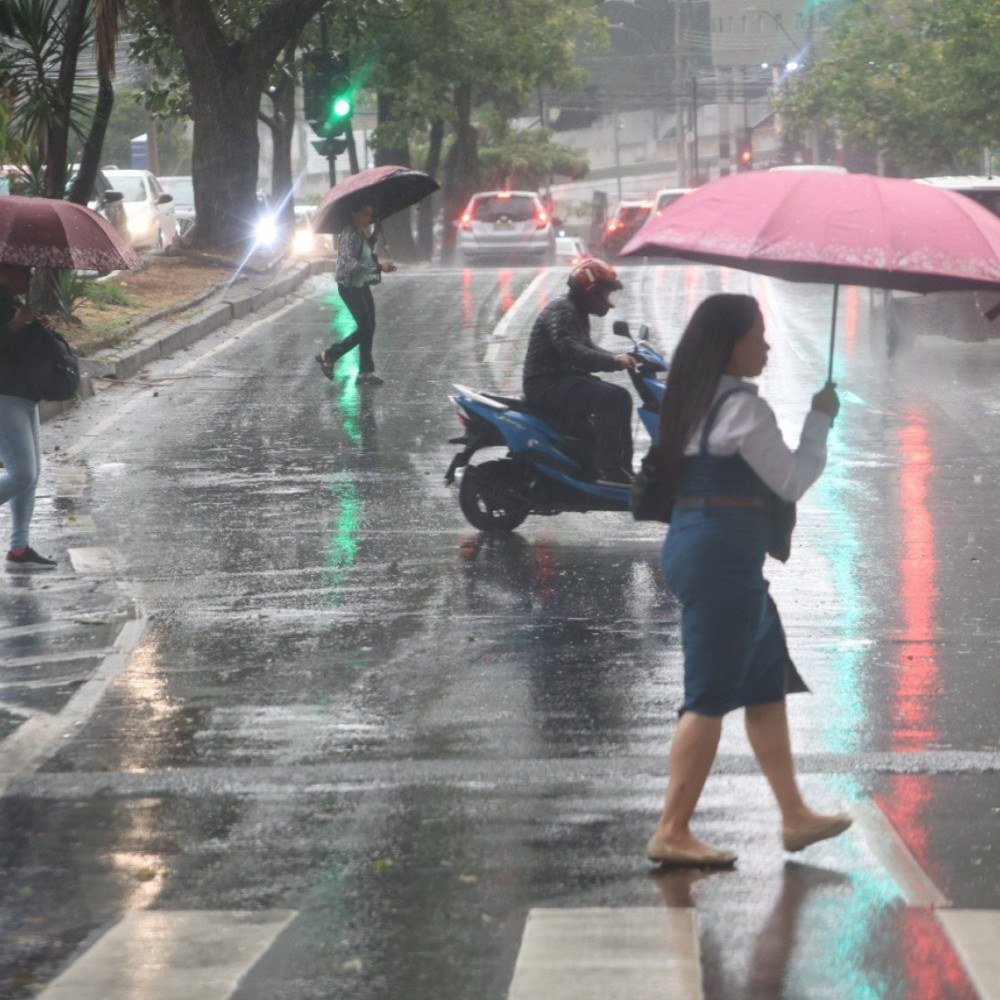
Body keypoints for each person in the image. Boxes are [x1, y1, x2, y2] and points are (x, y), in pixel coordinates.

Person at [646, 292, 847, 867]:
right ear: (728, 343)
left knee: (763, 683)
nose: (767, 345)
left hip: (706, 546)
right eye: (757, 335)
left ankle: (795, 816)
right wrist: (819, 421)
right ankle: (672, 828)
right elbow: (788, 480)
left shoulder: (695, 397)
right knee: (707, 697)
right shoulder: (743, 410)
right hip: (720, 559)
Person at [522, 257, 637, 485]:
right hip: (545, 383)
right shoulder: (562, 311)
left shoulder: (575, 311)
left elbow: (587, 347)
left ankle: (618, 468)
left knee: (616, 397)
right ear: (590, 290)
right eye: (604, 294)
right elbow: (571, 351)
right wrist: (613, 361)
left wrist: (621, 358)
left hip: (560, 380)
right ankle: (610, 470)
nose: (607, 301)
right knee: (613, 398)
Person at [0, 264, 57, 570]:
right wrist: (13, 326)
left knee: (31, 476)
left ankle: (19, 548)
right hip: (4, 396)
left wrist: (36, 328)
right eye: (25, 271)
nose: (31, 277)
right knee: (21, 473)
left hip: (24, 394)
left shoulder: (10, 302)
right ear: (5, 272)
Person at [316, 201, 396, 386]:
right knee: (365, 328)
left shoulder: (359, 230)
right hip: (349, 286)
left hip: (360, 284)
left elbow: (364, 251)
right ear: (354, 213)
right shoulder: (347, 234)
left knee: (369, 326)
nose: (369, 218)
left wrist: (375, 233)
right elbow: (348, 264)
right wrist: (378, 267)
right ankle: (329, 355)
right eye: (366, 214)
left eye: (370, 215)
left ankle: (366, 372)